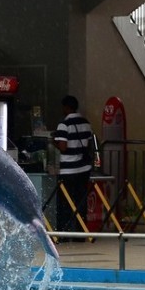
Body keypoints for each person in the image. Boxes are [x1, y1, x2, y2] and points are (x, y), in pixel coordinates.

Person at [52, 95, 93, 237]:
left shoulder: (64, 124)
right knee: (81, 201)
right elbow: (88, 143)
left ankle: (64, 232)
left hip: (69, 169)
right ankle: (80, 232)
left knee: (65, 202)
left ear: (66, 107)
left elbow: (63, 147)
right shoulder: (86, 123)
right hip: (84, 168)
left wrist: (54, 142)